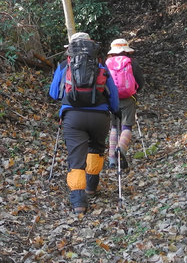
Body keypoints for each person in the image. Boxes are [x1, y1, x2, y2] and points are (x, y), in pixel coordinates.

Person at [49, 32, 120, 218]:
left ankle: (79, 202)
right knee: (96, 149)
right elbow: (113, 93)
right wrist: (114, 110)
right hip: (100, 116)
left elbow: (54, 93)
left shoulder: (65, 65)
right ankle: (91, 186)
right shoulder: (100, 65)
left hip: (73, 117)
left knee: (76, 158)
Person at [105, 38, 144, 169]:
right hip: (128, 98)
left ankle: (111, 160)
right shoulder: (132, 62)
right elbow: (140, 81)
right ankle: (121, 150)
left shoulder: (106, 63)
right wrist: (135, 91)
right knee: (126, 126)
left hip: (111, 99)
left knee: (114, 127)